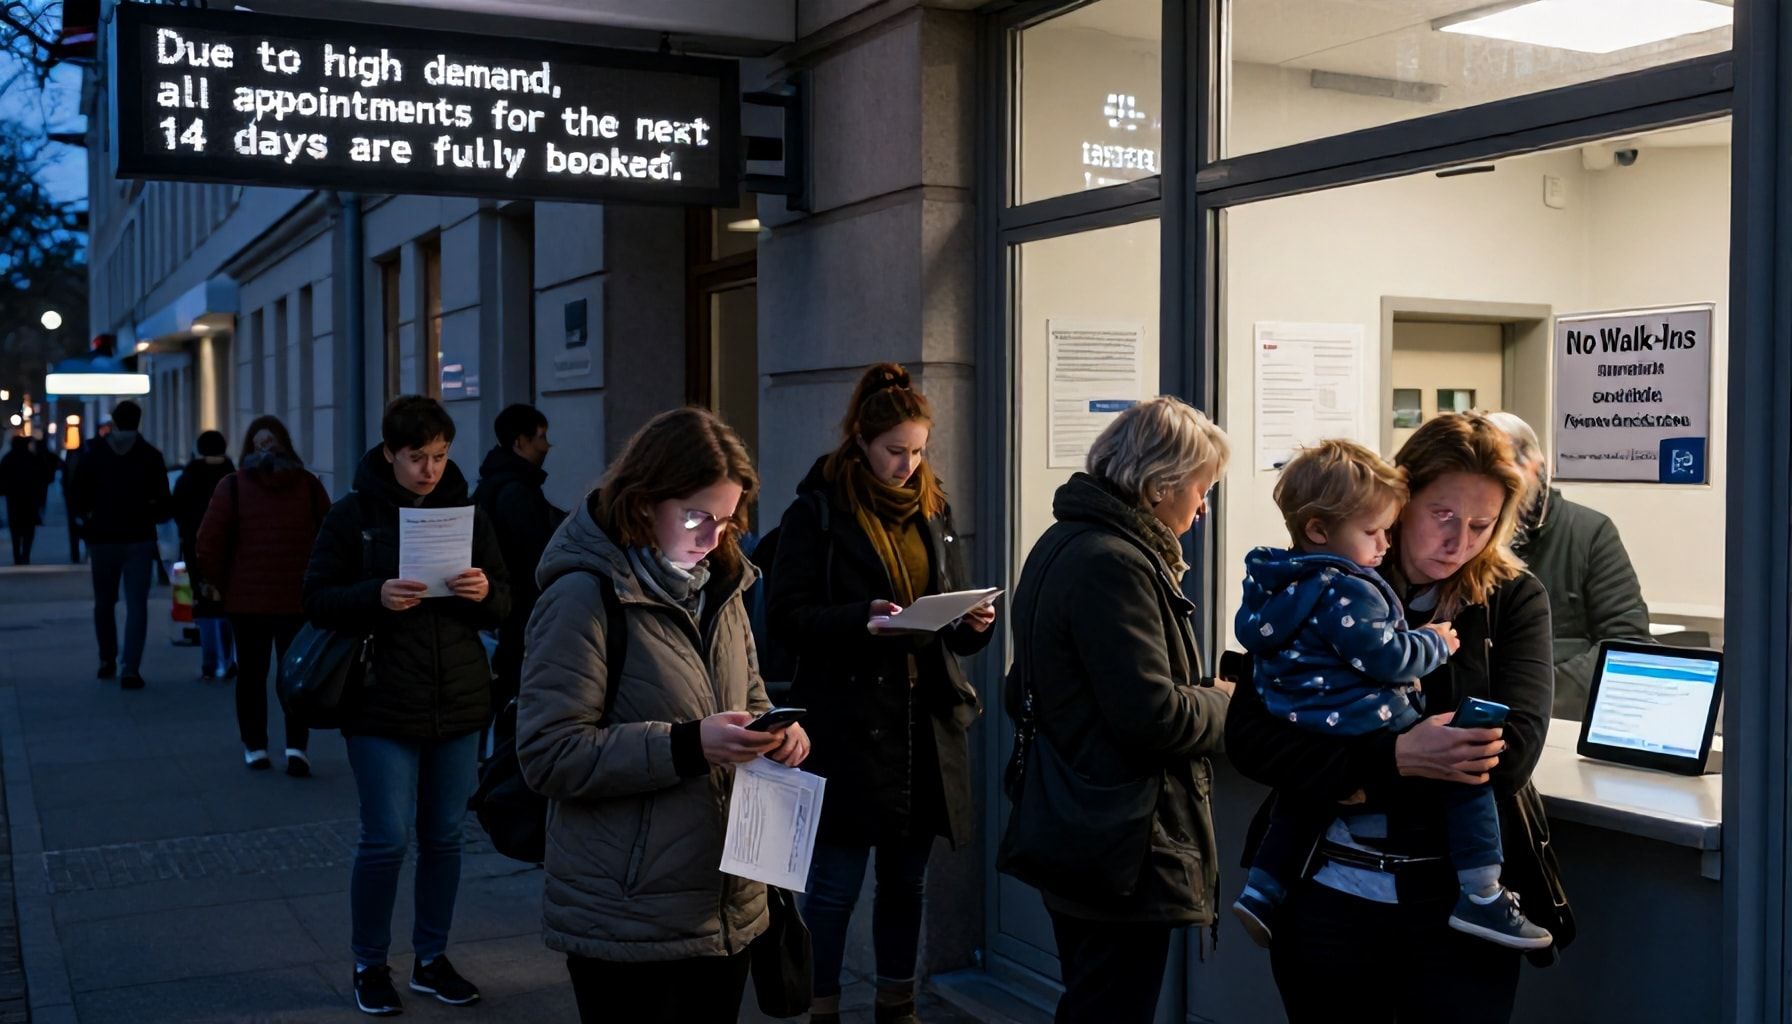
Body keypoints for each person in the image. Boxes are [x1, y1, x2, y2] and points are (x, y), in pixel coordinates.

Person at [1226, 413, 1560, 1024]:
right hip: (1326, 900)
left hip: (1454, 911)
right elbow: (1251, 738)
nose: (1460, 542)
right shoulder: (1327, 582)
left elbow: (1511, 756)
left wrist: (1349, 776)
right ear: (1401, 501)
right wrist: (1396, 759)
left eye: (1482, 525)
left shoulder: (1513, 599)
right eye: (1442, 517)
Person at [516, 407, 810, 1024]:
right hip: (626, 914)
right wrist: (686, 746)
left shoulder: (722, 583)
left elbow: (750, 692)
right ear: (644, 501)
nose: (713, 537)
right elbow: (548, 755)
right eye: (697, 516)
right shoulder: (583, 595)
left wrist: (776, 730)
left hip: (723, 903)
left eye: (727, 521)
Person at [766, 362, 994, 1024]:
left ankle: (899, 1006)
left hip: (922, 724)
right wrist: (858, 621)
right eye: (896, 450)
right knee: (834, 887)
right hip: (846, 724)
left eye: (919, 450)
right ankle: (823, 1009)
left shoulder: (934, 505)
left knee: (906, 881)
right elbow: (784, 615)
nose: (908, 463)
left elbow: (946, 616)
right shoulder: (817, 513)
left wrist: (972, 622)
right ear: (862, 441)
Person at [1004, 396, 1234, 1024]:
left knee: (1091, 1000)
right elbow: (1152, 716)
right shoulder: (1116, 562)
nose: (1204, 504)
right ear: (1161, 485)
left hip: (1078, 829)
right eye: (1201, 487)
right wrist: (1222, 702)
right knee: (1110, 1007)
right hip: (1120, 843)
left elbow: (1017, 690)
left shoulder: (1064, 541)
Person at [302, 395, 510, 1016]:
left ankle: (430, 958)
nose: (429, 470)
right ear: (389, 452)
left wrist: (483, 592)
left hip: (458, 697)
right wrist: (376, 595)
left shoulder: (467, 514)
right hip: (379, 699)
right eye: (416, 457)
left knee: (445, 836)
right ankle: (370, 962)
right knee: (387, 837)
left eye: (440, 456)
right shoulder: (351, 516)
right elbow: (315, 599)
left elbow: (505, 602)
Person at [1484, 412, 1654, 720]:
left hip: (1562, 721)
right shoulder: (1468, 539)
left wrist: (1528, 700)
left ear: (1534, 467)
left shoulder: (1589, 533)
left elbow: (1627, 645)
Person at [197, 416, 331, 774]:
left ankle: (255, 746)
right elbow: (330, 538)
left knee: (251, 676)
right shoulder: (307, 485)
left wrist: (226, 584)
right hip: (297, 600)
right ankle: (297, 748)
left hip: (247, 602)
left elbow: (209, 543)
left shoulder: (233, 487)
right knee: (297, 674)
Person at [70, 401, 172, 690]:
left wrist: (88, 520)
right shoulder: (151, 455)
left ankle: (107, 658)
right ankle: (131, 667)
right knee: (137, 604)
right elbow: (164, 503)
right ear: (139, 421)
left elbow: (77, 492)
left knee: (104, 602)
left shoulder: (94, 452)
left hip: (102, 538)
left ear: (113, 421)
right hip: (139, 537)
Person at [471, 403, 564, 720]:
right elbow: (532, 557)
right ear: (520, 442)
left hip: (502, 607)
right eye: (541, 436)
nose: (547, 445)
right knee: (513, 689)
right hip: (517, 610)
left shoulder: (493, 484)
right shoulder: (516, 492)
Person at [173, 430, 237, 679]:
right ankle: (229, 658)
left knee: (204, 603)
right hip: (230, 546)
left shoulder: (190, 474)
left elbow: (177, 507)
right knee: (228, 604)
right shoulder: (233, 472)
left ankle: (209, 661)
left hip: (196, 546)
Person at [0, 435, 50, 565]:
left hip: (14, 500)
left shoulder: (9, 459)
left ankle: (17, 556)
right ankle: (25, 555)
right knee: (28, 529)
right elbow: (43, 476)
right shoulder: (32, 459)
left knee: (15, 530)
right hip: (29, 499)